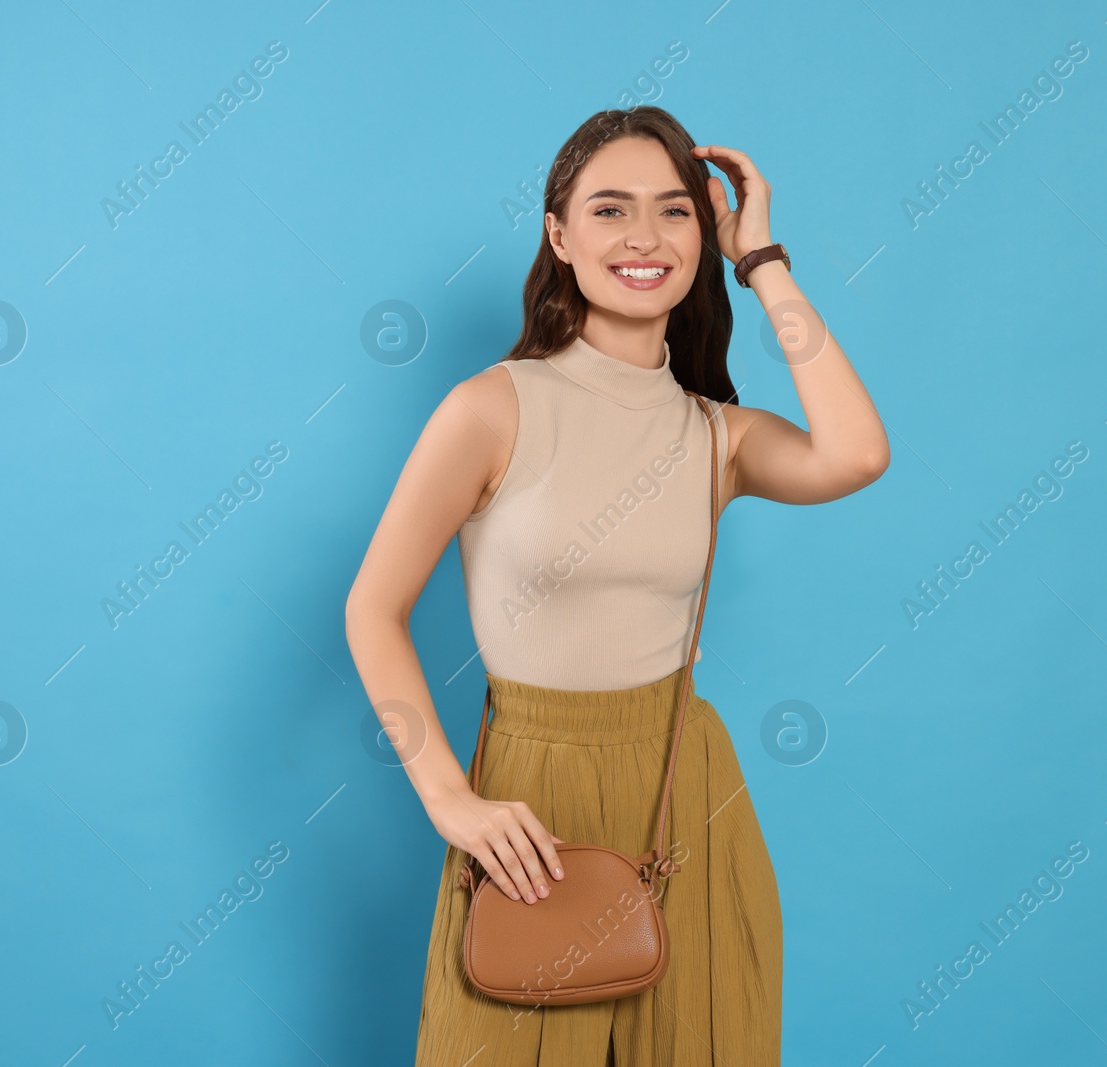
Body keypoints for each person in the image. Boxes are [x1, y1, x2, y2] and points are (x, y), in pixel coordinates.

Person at [345, 105, 889, 1066]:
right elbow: (372, 610)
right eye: (609, 209)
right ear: (558, 235)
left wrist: (762, 261)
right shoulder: (492, 407)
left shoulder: (718, 435)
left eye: (675, 212)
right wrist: (449, 799)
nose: (645, 238)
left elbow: (855, 454)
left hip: (686, 793)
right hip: (530, 802)